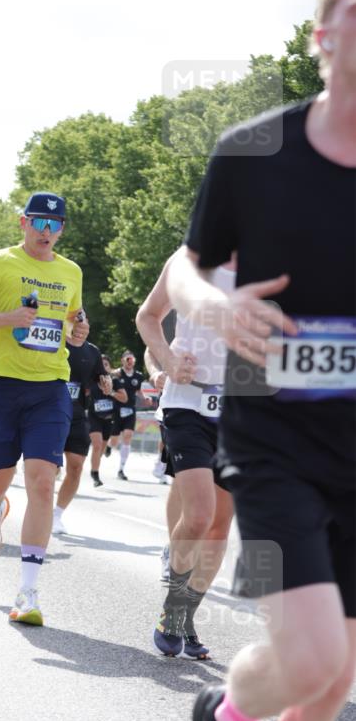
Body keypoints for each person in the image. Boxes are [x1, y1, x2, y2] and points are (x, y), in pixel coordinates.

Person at [168, 0, 356, 721]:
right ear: (322, 36)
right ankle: (230, 712)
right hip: (273, 435)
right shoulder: (256, 152)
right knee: (312, 654)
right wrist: (208, 306)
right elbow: (187, 263)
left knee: (333, 674)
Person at [0, 191, 87, 625]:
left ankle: (28, 593)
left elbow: (73, 322)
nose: (46, 231)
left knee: (43, 483)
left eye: (55, 224)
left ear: (61, 229)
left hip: (50, 388)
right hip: (2, 386)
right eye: (39, 223)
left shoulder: (71, 271)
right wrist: (7, 318)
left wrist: (79, 332)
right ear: (23, 223)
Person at [137, 253, 235, 660]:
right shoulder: (189, 258)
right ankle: (174, 607)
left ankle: (184, 616)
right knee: (198, 516)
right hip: (187, 404)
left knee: (218, 528)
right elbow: (148, 316)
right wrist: (167, 359)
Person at [53, 328, 111, 534]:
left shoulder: (92, 351)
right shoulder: (55, 342)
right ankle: (40, 507)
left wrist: (106, 382)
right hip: (49, 414)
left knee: (76, 467)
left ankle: (56, 515)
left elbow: (102, 375)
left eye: (84, 323)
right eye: (75, 323)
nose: (80, 328)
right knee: (48, 469)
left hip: (77, 415)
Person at [108, 351, 149, 479]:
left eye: (132, 359)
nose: (130, 362)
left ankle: (121, 469)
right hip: (116, 410)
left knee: (128, 435)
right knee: (114, 441)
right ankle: (108, 446)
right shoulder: (116, 374)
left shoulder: (138, 376)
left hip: (130, 410)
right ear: (122, 360)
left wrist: (145, 398)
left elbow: (138, 391)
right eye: (127, 359)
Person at [87, 355, 126, 486]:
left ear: (110, 368)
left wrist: (111, 392)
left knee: (101, 449)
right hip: (94, 417)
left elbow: (124, 398)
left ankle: (95, 465)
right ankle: (95, 474)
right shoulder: (91, 381)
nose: (103, 367)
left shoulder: (115, 381)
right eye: (101, 365)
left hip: (108, 419)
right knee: (97, 445)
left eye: (106, 365)